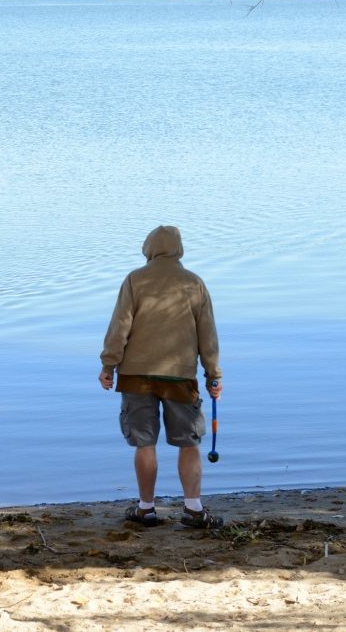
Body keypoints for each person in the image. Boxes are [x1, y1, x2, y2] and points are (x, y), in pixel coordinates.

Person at [99, 225, 223, 529]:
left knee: (144, 443)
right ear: (178, 249)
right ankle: (193, 509)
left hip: (136, 374)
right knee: (188, 442)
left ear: (149, 248)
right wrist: (213, 375)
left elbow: (119, 327)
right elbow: (207, 335)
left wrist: (108, 365)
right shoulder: (194, 283)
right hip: (179, 375)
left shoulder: (134, 280)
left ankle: (146, 508)